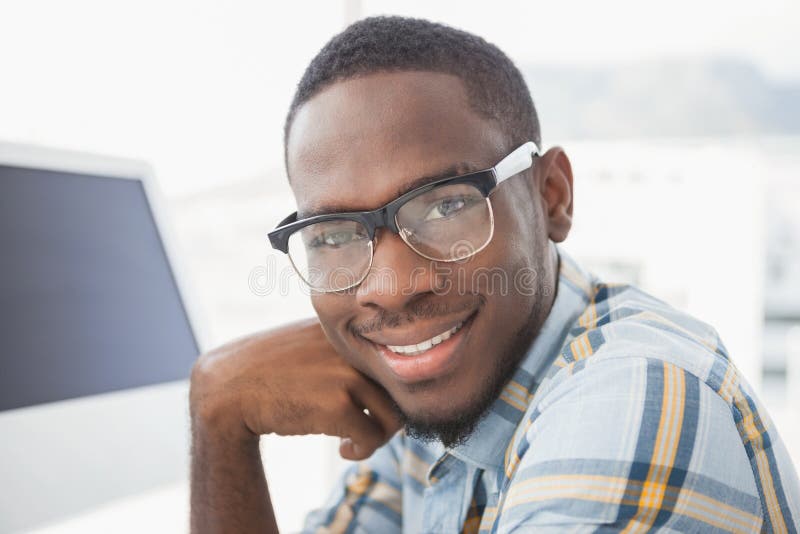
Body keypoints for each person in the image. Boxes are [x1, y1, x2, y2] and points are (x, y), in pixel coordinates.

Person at [188, 15, 800, 533]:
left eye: (445, 204)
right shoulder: (446, 403)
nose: (393, 286)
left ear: (551, 196)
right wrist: (221, 422)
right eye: (335, 235)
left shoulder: (632, 395)